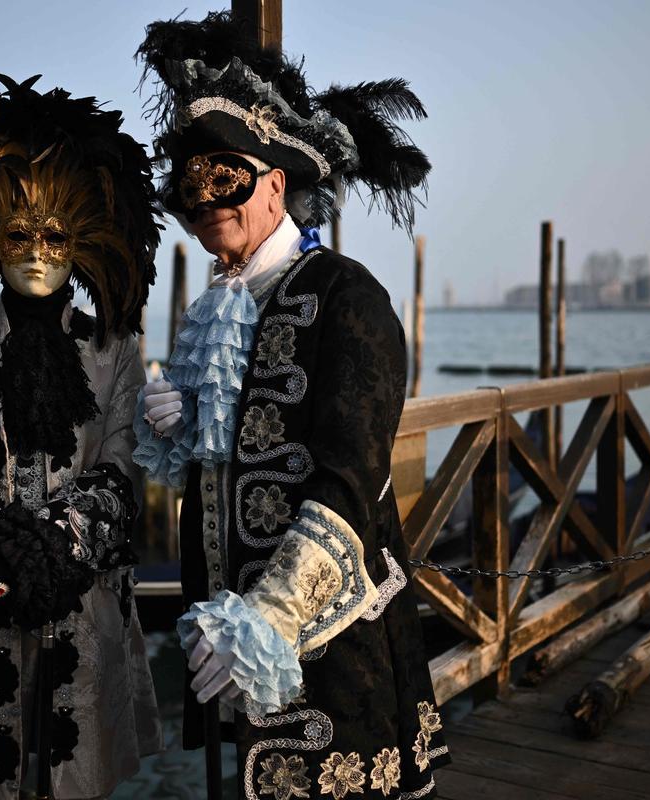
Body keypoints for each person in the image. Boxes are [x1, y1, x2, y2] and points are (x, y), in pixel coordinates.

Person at [133, 13, 450, 799]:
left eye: (228, 179)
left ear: (277, 182)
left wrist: (269, 619)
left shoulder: (348, 297)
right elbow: (232, 471)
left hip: (333, 658)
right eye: (191, 186)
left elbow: (349, 480)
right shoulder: (216, 307)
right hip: (224, 652)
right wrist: (184, 430)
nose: (208, 202)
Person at [0, 74, 163, 800]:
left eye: (56, 236)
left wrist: (63, 545)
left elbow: (124, 457)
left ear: (83, 243)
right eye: (21, 234)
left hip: (82, 610)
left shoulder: (115, 347)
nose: (40, 252)